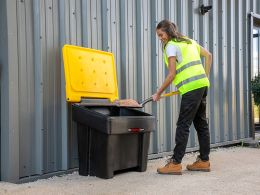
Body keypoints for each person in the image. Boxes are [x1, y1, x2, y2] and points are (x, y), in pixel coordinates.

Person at [153, 19, 212, 175]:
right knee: (201, 124)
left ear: (168, 32)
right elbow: (209, 55)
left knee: (183, 125)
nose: (160, 38)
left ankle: (175, 163)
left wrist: (158, 93)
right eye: (158, 36)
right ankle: (204, 161)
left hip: (192, 89)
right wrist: (204, 77)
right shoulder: (189, 42)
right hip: (202, 85)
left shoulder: (171, 45)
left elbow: (172, 74)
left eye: (161, 34)